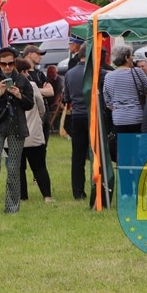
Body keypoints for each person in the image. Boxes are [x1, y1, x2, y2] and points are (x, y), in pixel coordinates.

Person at [0, 47, 35, 215]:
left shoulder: (22, 80)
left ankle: (12, 207)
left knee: (13, 168)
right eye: (3, 64)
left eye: (10, 63)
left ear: (15, 63)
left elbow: (30, 104)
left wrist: (19, 96)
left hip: (16, 126)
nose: (7, 67)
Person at [103, 44, 147, 198]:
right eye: (131, 55)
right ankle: (140, 188)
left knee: (123, 156)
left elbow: (107, 100)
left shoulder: (109, 76)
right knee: (139, 154)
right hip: (137, 118)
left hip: (119, 120)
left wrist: (119, 107)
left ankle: (126, 191)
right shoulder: (137, 72)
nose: (133, 58)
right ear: (126, 57)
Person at [17, 60, 52, 202]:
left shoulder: (5, 87)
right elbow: (41, 107)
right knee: (39, 167)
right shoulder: (32, 86)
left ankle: (22, 197)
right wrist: (37, 118)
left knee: (18, 169)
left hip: (14, 135)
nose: (27, 74)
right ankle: (47, 196)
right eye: (25, 71)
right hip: (33, 134)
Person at [62, 45, 90, 200]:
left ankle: (78, 191)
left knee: (78, 156)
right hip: (93, 116)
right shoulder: (96, 72)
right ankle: (100, 187)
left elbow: (66, 98)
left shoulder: (70, 73)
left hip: (77, 115)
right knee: (97, 153)